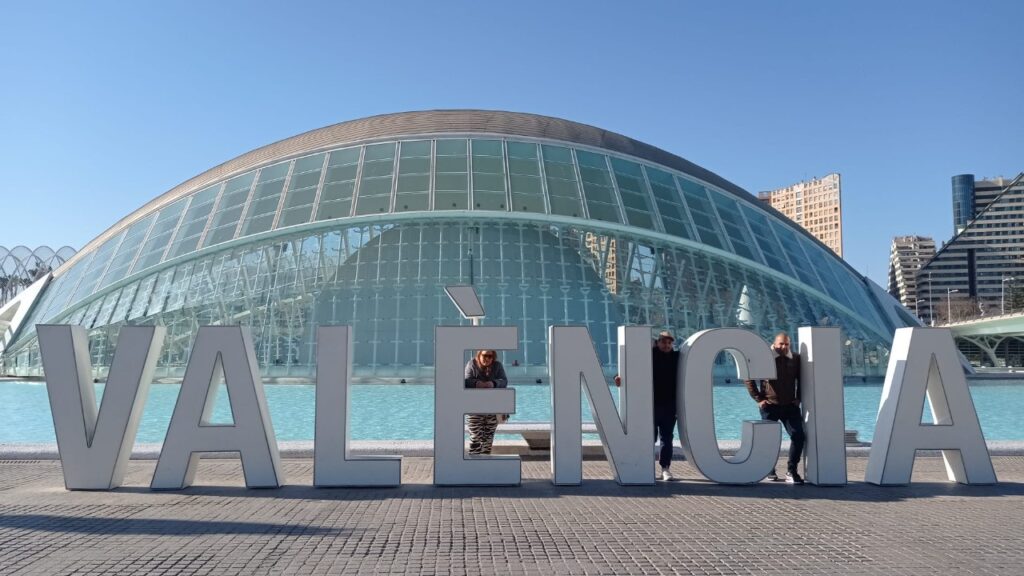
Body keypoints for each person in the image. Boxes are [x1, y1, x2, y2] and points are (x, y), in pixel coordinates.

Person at [615, 330, 680, 481]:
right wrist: (618, 377)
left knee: (667, 438)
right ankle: (645, 467)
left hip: (669, 405)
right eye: (663, 342)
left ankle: (665, 468)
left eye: (669, 343)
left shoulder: (677, 358)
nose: (666, 345)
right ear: (657, 343)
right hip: (648, 405)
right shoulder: (649, 355)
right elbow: (630, 367)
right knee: (648, 438)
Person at [744, 332, 806, 484]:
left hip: (790, 406)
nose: (784, 347)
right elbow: (748, 377)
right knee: (768, 440)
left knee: (799, 436)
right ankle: (769, 469)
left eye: (787, 344)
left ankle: (791, 471)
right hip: (770, 406)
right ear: (774, 343)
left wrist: (799, 398)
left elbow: (802, 379)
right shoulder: (764, 356)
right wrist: (759, 399)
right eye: (781, 344)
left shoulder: (796, 359)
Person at [464, 349, 509, 455]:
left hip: (492, 409)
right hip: (474, 409)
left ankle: (484, 464)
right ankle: (474, 466)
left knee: (488, 439)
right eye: (485, 356)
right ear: (479, 355)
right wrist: (477, 383)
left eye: (491, 356)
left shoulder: (497, 365)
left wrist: (493, 383)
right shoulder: (472, 364)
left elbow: (504, 381)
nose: (488, 359)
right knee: (475, 438)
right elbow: (466, 381)